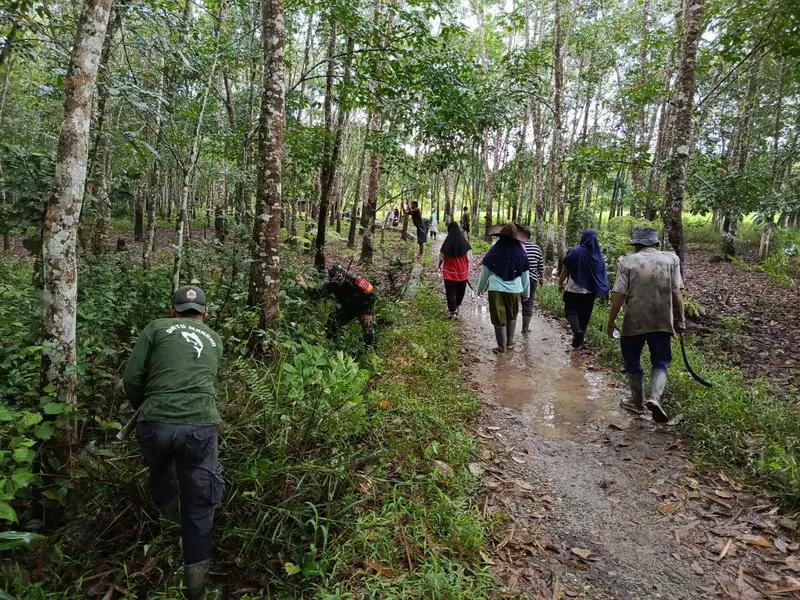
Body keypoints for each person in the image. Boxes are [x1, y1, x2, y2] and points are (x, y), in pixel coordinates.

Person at [122, 285, 225, 600]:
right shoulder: (215, 339)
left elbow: (132, 379)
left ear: (173, 310)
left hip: (154, 423)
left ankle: (168, 527)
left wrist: (149, 409)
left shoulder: (155, 327)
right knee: (199, 505)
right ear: (205, 313)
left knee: (161, 473)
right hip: (199, 426)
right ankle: (195, 589)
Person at [606, 227, 685, 423]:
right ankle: (655, 398)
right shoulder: (672, 260)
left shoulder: (627, 261)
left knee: (632, 359)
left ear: (637, 245)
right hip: (662, 322)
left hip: (634, 321)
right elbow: (676, 292)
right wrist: (680, 319)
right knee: (661, 360)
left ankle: (637, 402)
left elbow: (619, 294)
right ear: (657, 244)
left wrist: (611, 320)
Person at [477, 223, 530, 354]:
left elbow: (485, 271)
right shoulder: (521, 252)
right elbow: (525, 276)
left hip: (496, 290)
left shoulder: (494, 250)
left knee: (498, 318)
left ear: (501, 235)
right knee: (512, 316)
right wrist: (525, 293)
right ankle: (510, 343)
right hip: (514, 290)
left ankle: (501, 348)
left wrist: (480, 288)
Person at [296, 263, 376, 348]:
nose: (338, 282)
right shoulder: (332, 285)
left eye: (339, 278)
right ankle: (327, 345)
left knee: (368, 328)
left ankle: (370, 350)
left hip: (362, 308)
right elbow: (317, 294)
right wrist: (304, 285)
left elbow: (372, 295)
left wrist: (368, 311)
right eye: (335, 280)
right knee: (332, 321)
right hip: (347, 309)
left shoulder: (356, 280)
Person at [558, 229, 609, 348]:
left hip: (573, 289)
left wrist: (560, 283)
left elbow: (566, 269)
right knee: (584, 316)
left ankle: (577, 331)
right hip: (590, 292)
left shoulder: (574, 251)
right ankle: (579, 342)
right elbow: (601, 275)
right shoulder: (599, 257)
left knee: (570, 311)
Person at [438, 221, 472, 318]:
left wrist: (439, 266)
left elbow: (441, 257)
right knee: (460, 292)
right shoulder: (465, 244)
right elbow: (469, 258)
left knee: (450, 292)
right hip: (462, 273)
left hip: (449, 273)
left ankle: (452, 311)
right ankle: (457, 307)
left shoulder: (446, 243)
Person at [519, 226, 544, 334]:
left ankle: (510, 326)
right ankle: (525, 328)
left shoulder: (516, 247)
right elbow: (540, 266)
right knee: (528, 304)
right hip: (531, 279)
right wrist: (542, 278)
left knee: (514, 303)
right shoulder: (536, 248)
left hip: (516, 279)